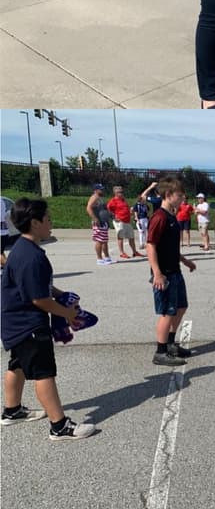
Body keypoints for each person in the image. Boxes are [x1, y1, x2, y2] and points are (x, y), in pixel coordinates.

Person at [1, 199, 98, 439]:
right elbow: (38, 300)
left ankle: (11, 411)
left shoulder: (23, 249)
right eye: (48, 219)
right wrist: (68, 313)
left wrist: (61, 294)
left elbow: (40, 287)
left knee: (18, 364)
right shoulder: (30, 256)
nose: (51, 223)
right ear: (35, 223)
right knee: (44, 372)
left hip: (13, 321)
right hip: (27, 323)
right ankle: (60, 426)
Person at [147, 178, 197, 367]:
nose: (182, 198)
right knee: (167, 313)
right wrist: (157, 273)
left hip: (175, 270)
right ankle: (160, 352)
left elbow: (170, 248)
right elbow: (150, 245)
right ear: (168, 195)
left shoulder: (171, 216)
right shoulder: (159, 217)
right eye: (179, 195)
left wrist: (185, 261)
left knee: (181, 307)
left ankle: (170, 343)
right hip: (164, 273)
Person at [107, 185, 140, 260]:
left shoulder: (123, 200)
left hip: (127, 221)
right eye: (120, 192)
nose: (122, 193)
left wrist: (130, 212)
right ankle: (122, 253)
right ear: (115, 193)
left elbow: (125, 209)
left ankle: (134, 251)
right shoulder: (113, 201)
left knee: (131, 237)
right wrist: (113, 217)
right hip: (120, 221)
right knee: (120, 237)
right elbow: (108, 209)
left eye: (122, 192)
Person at [86, 184, 111, 265]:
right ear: (96, 190)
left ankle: (107, 258)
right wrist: (95, 218)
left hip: (104, 221)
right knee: (99, 240)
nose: (102, 190)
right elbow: (88, 208)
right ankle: (99, 259)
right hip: (99, 222)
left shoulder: (100, 198)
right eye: (101, 189)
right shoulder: (94, 197)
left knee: (104, 240)